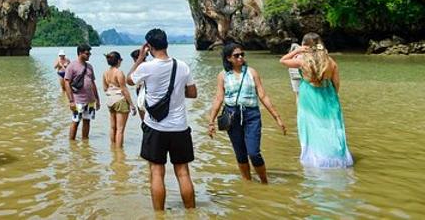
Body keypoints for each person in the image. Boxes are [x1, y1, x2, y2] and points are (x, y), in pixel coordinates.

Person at [127, 28, 196, 211]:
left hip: (155, 128)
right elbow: (192, 93)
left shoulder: (146, 67)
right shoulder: (183, 66)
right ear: (167, 43)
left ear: (149, 47)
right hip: (180, 127)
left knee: (157, 172)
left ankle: (159, 214)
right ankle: (191, 213)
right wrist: (176, 94)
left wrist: (141, 58)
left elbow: (129, 80)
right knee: (183, 172)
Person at [206, 43, 287, 184]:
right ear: (228, 58)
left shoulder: (251, 72)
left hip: (251, 115)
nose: (240, 58)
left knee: (254, 153)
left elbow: (262, 95)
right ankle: (247, 183)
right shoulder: (223, 75)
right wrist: (211, 121)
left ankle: (264, 183)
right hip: (232, 115)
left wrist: (277, 118)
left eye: (242, 54)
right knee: (241, 154)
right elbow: (219, 98)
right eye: (236, 55)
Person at [280, 32, 354, 168]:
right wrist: (331, 96)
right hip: (328, 95)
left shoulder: (302, 61)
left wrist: (297, 51)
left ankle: (315, 158)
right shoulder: (330, 61)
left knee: (311, 126)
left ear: (304, 46)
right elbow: (336, 83)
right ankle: (336, 157)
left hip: (309, 97)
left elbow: (283, 61)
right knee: (331, 126)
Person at [64, 43, 101, 140]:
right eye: (87, 53)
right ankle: (72, 144)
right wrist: (71, 101)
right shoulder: (72, 66)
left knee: (87, 121)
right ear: (80, 53)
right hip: (78, 100)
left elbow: (93, 83)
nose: (89, 55)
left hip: (90, 100)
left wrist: (97, 99)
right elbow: (66, 83)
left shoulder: (89, 67)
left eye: (89, 53)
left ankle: (85, 143)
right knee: (75, 121)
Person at [103, 51, 137, 148]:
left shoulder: (105, 73)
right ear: (118, 61)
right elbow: (124, 90)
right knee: (120, 130)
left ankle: (113, 148)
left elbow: (105, 88)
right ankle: (119, 153)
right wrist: (132, 105)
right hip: (120, 100)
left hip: (110, 100)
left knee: (113, 127)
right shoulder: (119, 73)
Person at [130, 49, 146, 121]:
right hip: (144, 95)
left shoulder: (141, 67)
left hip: (143, 96)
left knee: (144, 121)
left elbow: (130, 80)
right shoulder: (147, 65)